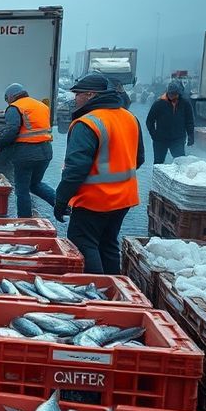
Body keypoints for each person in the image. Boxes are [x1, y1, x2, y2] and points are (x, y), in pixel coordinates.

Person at [54, 72, 145, 275]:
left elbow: (75, 170)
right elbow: (139, 159)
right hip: (124, 198)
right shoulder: (129, 117)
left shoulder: (87, 123)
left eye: (77, 94)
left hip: (94, 200)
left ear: (90, 94)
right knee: (108, 244)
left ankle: (97, 293)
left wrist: (61, 201)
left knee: (84, 244)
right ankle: (114, 291)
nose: (74, 98)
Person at [0, 82, 57, 217]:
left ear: (11, 96)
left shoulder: (15, 107)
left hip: (26, 154)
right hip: (46, 151)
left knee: (22, 190)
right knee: (35, 184)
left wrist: (0, 145)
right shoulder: (41, 105)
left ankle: (25, 221)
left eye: (7, 99)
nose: (7, 102)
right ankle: (62, 206)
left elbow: (12, 130)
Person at [146, 79, 195, 164]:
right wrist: (154, 135)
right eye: (170, 93)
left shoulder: (185, 103)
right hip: (160, 140)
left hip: (178, 139)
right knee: (158, 164)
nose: (172, 96)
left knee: (180, 163)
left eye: (175, 94)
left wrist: (191, 135)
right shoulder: (159, 103)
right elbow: (149, 121)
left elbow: (189, 121)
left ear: (179, 93)